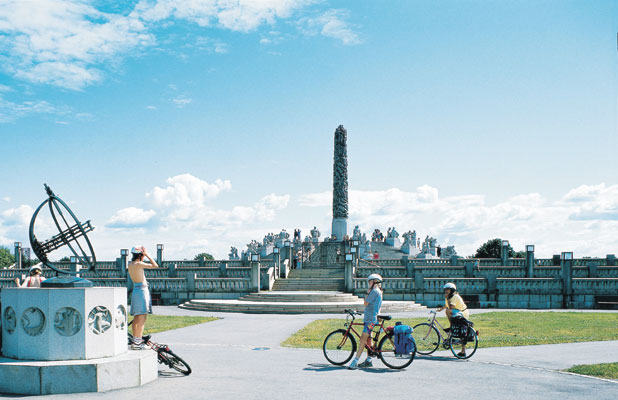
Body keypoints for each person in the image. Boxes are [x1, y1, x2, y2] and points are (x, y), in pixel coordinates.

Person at [348, 273, 383, 369]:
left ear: (374, 282)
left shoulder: (374, 291)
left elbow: (365, 303)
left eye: (369, 281)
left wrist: (367, 293)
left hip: (370, 320)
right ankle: (369, 360)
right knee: (368, 339)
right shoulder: (379, 291)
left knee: (362, 340)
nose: (368, 283)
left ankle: (355, 361)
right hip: (371, 319)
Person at [128, 246, 159, 350]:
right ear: (140, 255)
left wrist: (143, 254)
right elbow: (155, 265)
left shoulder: (130, 264)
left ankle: (135, 341)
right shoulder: (139, 264)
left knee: (136, 317)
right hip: (142, 290)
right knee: (142, 317)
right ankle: (138, 342)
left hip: (136, 289)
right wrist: (147, 255)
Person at [436, 282, 469, 357]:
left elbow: (451, 307)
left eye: (448, 289)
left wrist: (447, 298)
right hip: (457, 312)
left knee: (447, 311)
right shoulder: (448, 297)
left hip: (462, 313)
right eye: (445, 289)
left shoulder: (455, 297)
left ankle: (452, 324)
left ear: (452, 290)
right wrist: (440, 309)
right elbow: (446, 305)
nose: (446, 291)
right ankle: (463, 352)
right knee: (461, 332)